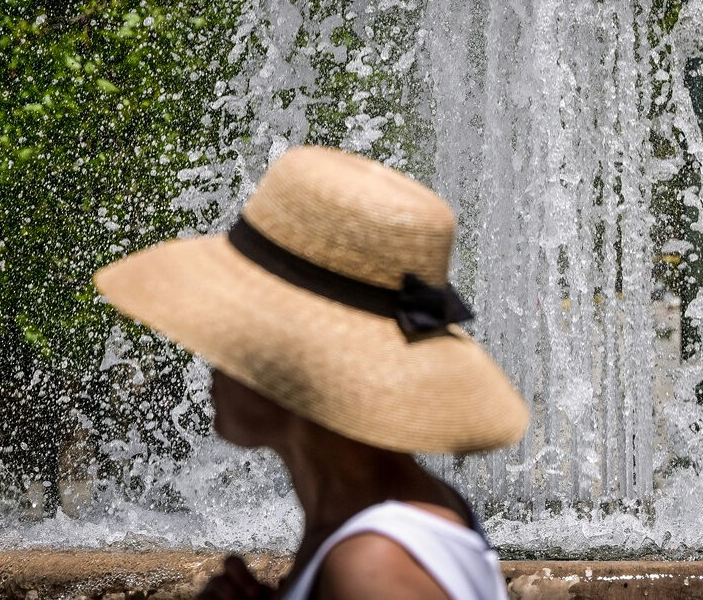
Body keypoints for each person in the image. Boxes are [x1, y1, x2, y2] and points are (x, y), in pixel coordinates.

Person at [94, 146, 529, 599]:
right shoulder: (394, 515)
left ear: (299, 362)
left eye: (234, 333)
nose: (214, 360)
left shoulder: (371, 566)